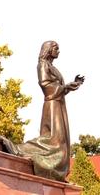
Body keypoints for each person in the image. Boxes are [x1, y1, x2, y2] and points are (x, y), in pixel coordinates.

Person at [17, 40, 84, 181]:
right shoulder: (42, 65)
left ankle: (57, 171)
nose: (58, 51)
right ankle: (46, 163)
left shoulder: (52, 67)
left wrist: (72, 84)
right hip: (52, 104)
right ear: (48, 50)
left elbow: (57, 86)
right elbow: (45, 84)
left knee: (61, 140)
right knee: (55, 139)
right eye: (56, 48)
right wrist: (65, 87)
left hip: (58, 104)